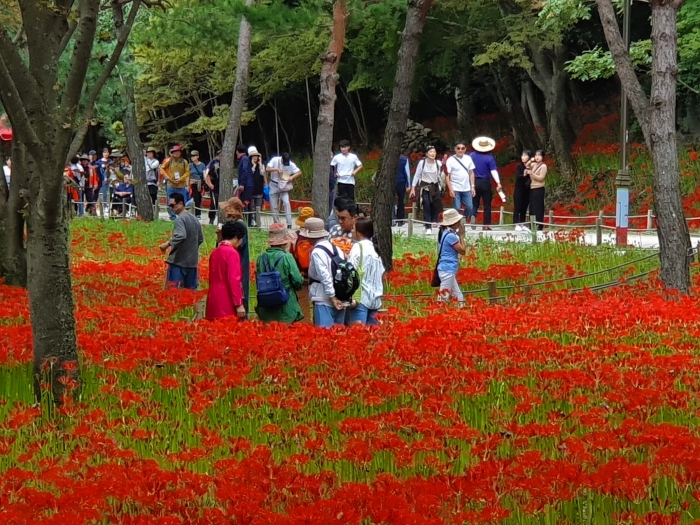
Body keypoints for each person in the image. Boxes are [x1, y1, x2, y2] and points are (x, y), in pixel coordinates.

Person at [255, 223, 305, 324]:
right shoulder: (287, 257)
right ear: (285, 242)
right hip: (286, 304)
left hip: (266, 303)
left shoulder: (261, 258)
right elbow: (297, 280)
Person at [305, 218, 347, 327]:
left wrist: (332, 297)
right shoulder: (336, 248)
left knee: (324, 336)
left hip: (323, 297)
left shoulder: (317, 252)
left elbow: (324, 276)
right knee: (339, 335)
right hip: (341, 294)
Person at [159, 192, 204, 289]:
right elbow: (200, 239)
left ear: (180, 204)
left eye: (172, 205)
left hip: (179, 262)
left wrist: (167, 244)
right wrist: (191, 248)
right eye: (169, 206)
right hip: (192, 262)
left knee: (174, 292)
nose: (171, 208)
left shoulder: (180, 219)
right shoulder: (195, 219)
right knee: (191, 294)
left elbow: (180, 235)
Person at [205, 221, 247, 321]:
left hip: (213, 297)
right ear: (237, 237)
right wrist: (238, 304)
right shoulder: (232, 253)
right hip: (226, 299)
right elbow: (234, 280)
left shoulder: (215, 252)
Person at [347, 218, 385, 325]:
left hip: (360, 297)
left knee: (358, 336)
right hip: (376, 298)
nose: (352, 230)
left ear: (359, 231)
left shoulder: (357, 247)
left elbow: (351, 270)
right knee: (372, 335)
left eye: (353, 228)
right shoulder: (375, 247)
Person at [219, 197, 250, 316]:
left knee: (239, 288)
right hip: (234, 261)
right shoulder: (235, 224)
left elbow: (240, 245)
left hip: (238, 262)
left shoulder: (240, 225)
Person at [409, 146, 443, 235]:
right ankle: (428, 226)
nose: (433, 154)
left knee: (435, 205)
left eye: (434, 152)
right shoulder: (422, 163)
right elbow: (417, 175)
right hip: (424, 187)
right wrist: (413, 188)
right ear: (427, 154)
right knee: (426, 205)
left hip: (435, 187)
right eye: (431, 152)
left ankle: (434, 221)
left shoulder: (438, 163)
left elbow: (441, 175)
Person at [470, 136, 503, 230]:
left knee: (474, 203)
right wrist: (498, 183)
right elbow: (493, 171)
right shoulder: (489, 158)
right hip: (485, 182)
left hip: (474, 181)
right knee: (487, 204)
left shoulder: (472, 155)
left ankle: (473, 216)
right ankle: (486, 225)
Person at [436, 208, 467, 303]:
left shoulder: (446, 233)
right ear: (455, 223)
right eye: (459, 221)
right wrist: (462, 235)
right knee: (443, 297)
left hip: (448, 269)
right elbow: (463, 251)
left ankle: (461, 312)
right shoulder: (450, 236)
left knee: (459, 298)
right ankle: (437, 314)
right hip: (447, 269)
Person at [267, 152, 302, 228]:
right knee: (274, 205)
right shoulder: (275, 160)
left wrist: (292, 177)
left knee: (286, 202)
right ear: (281, 159)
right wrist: (276, 169)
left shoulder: (291, 164)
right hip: (274, 184)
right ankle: (277, 223)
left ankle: (289, 223)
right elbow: (267, 169)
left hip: (284, 185)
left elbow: (299, 172)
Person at [446, 141, 476, 224]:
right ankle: (456, 224)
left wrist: (473, 186)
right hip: (455, 187)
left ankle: (464, 218)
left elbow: (471, 172)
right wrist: (450, 188)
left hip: (467, 187)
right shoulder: (450, 160)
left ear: (465, 149)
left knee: (470, 206)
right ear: (455, 149)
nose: (460, 150)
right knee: (457, 208)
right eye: (458, 148)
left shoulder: (468, 158)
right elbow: (447, 175)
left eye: (462, 148)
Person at [161, 145, 191, 221]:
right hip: (171, 184)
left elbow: (187, 172)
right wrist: (167, 177)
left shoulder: (184, 162)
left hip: (181, 185)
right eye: (174, 152)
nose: (175, 153)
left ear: (180, 152)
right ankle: (173, 216)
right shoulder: (169, 161)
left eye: (177, 151)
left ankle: (181, 216)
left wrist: (181, 179)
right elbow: (162, 168)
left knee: (181, 201)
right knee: (170, 200)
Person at [527, 150, 547, 232]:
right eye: (536, 155)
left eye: (539, 155)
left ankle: (539, 226)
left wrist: (532, 174)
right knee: (532, 208)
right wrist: (531, 160)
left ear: (542, 157)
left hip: (539, 188)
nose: (537, 157)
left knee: (538, 208)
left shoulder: (543, 166)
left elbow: (541, 178)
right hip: (532, 188)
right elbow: (527, 164)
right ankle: (532, 225)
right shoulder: (534, 164)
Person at [248, 146, 267, 227]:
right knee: (251, 207)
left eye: (256, 156)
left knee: (258, 206)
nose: (255, 157)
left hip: (259, 188)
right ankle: (251, 221)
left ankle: (258, 222)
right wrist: (253, 166)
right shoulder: (248, 164)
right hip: (251, 189)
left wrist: (260, 164)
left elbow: (263, 173)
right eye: (253, 156)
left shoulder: (261, 165)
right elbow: (249, 174)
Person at [235, 145, 254, 226]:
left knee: (245, 203)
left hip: (247, 185)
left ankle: (247, 222)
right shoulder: (244, 159)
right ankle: (248, 222)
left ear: (237, 151)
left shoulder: (244, 159)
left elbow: (245, 171)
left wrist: (242, 184)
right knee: (246, 204)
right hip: (248, 184)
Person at [514, 150, 532, 231]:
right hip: (519, 188)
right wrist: (524, 174)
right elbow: (518, 176)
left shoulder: (531, 166)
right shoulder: (519, 166)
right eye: (522, 156)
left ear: (529, 157)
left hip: (527, 189)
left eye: (525, 156)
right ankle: (516, 223)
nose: (523, 157)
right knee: (518, 206)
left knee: (524, 207)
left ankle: (522, 223)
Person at [204, 151, 221, 225]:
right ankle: (211, 219)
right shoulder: (212, 163)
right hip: (214, 185)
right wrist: (210, 184)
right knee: (214, 202)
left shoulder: (224, 163)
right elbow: (207, 174)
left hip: (221, 184)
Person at [189, 150, 206, 218]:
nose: (192, 157)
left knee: (199, 198)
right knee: (194, 198)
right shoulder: (190, 165)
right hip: (192, 183)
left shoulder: (202, 165)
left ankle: (198, 213)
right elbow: (187, 175)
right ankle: (194, 213)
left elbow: (204, 174)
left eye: (194, 156)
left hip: (200, 184)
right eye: (191, 156)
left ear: (197, 156)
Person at [96, 148, 112, 217]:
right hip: (100, 180)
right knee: (101, 194)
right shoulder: (99, 162)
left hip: (109, 180)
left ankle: (106, 207)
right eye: (104, 152)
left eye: (107, 152)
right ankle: (99, 208)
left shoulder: (110, 161)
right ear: (102, 153)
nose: (106, 154)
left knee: (107, 194)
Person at [395, 153, 410, 224]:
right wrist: (408, 185)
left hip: (390, 182)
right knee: (401, 201)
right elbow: (407, 173)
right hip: (401, 181)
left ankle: (392, 219)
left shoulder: (387, 158)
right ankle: (400, 220)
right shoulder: (404, 159)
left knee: (391, 202)